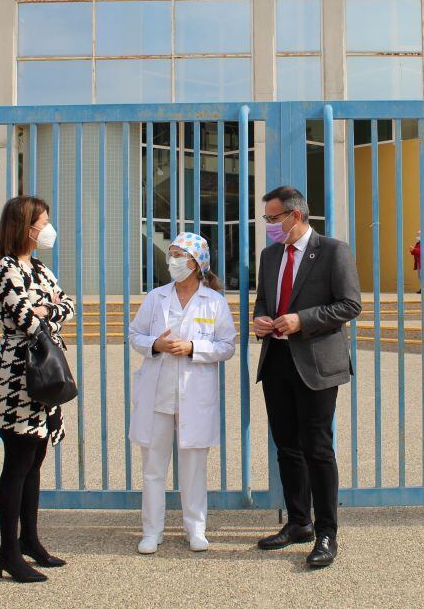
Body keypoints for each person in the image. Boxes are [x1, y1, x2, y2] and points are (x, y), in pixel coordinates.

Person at [252, 186, 361, 568]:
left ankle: (326, 532)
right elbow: (264, 300)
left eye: (272, 218)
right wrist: (260, 321)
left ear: (295, 216)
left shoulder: (333, 251)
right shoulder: (269, 256)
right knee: (287, 447)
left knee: (317, 448)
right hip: (277, 361)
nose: (267, 225)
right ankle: (298, 521)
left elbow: (350, 305)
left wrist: (303, 320)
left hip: (316, 363)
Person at [128, 232, 235, 555]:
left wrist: (192, 348)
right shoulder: (156, 297)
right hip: (157, 394)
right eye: (171, 253)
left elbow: (227, 346)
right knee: (153, 469)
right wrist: (155, 345)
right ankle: (151, 531)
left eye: (178, 255)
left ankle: (195, 529)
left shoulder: (213, 302)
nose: (172, 260)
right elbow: (135, 335)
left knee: (193, 469)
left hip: (194, 395)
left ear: (196, 263)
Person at [0, 196, 75, 583]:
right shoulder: (6, 269)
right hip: (20, 376)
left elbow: (67, 306)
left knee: (35, 460)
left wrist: (48, 310)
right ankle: (8, 550)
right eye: (43, 221)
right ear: (26, 226)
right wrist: (45, 310)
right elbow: (27, 320)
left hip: (46, 372)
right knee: (17, 463)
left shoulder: (39, 268)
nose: (48, 229)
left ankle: (30, 541)